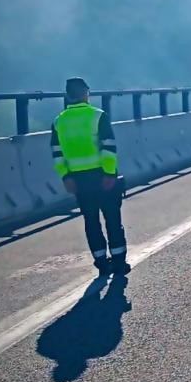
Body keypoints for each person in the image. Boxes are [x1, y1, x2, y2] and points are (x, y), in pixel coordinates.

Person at [50, 78, 130, 276]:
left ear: (67, 95)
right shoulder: (98, 116)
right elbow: (109, 147)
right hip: (102, 176)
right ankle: (119, 262)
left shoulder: (59, 121)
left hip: (78, 180)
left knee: (91, 221)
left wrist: (65, 177)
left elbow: (57, 153)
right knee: (112, 219)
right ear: (86, 93)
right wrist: (109, 173)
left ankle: (102, 263)